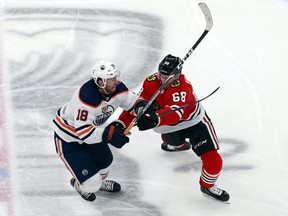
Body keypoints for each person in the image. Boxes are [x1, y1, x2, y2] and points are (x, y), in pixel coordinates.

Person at [119, 54, 230, 202]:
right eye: (161, 74)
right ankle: (178, 145)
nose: (162, 79)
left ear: (177, 75)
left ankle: (207, 186)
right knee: (171, 141)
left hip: (194, 123)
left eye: (167, 77)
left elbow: (175, 113)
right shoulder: (151, 81)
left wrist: (155, 119)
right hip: (167, 127)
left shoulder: (183, 87)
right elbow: (135, 103)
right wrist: (121, 125)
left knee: (214, 161)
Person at [52, 60, 139, 202]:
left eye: (116, 77)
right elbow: (84, 134)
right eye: (112, 79)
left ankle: (98, 182)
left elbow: (132, 101)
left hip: (92, 133)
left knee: (106, 163)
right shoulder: (86, 99)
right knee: (91, 185)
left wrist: (141, 107)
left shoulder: (116, 88)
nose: (116, 82)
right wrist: (108, 135)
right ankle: (81, 185)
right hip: (69, 140)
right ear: (100, 82)